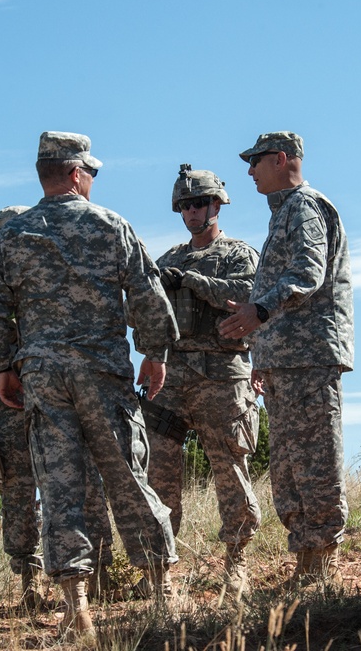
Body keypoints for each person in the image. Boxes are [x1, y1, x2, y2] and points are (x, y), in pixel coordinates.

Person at [0, 132, 178, 639]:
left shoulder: (11, 235)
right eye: (91, 172)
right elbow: (147, 293)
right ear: (75, 173)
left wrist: (1, 366)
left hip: (43, 375)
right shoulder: (110, 225)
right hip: (101, 371)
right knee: (127, 476)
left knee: (59, 486)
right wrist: (156, 352)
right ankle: (161, 593)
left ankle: (76, 608)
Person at [0, 206, 116, 608]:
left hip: (56, 403)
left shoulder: (44, 286)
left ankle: (100, 573)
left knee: (81, 485)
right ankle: (28, 582)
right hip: (8, 411)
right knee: (19, 495)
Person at [220, 131, 354, 586]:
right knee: (289, 463)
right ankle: (307, 562)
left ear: (281, 159)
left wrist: (258, 311)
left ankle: (320, 564)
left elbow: (307, 272)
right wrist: (263, 352)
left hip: (309, 356)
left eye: (255, 160)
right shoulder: (286, 213)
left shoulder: (305, 206)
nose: (249, 170)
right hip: (286, 360)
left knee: (314, 458)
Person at [136, 164, 261, 596]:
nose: (192, 212)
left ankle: (236, 563)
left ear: (216, 205)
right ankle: (160, 573)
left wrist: (192, 280)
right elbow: (145, 308)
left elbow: (250, 295)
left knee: (230, 470)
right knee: (159, 475)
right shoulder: (166, 258)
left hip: (222, 377)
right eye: (185, 205)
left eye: (200, 203)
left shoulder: (238, 254)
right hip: (171, 379)